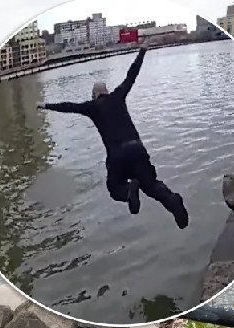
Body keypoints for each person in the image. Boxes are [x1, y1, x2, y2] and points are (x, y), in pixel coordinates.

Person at [37, 42, 189, 229]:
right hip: (137, 148)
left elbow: (69, 106)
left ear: (94, 95)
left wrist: (46, 106)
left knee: (114, 187)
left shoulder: (91, 107)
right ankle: (173, 202)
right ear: (106, 92)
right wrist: (142, 52)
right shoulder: (118, 95)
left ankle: (128, 192)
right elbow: (131, 76)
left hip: (117, 155)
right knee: (151, 186)